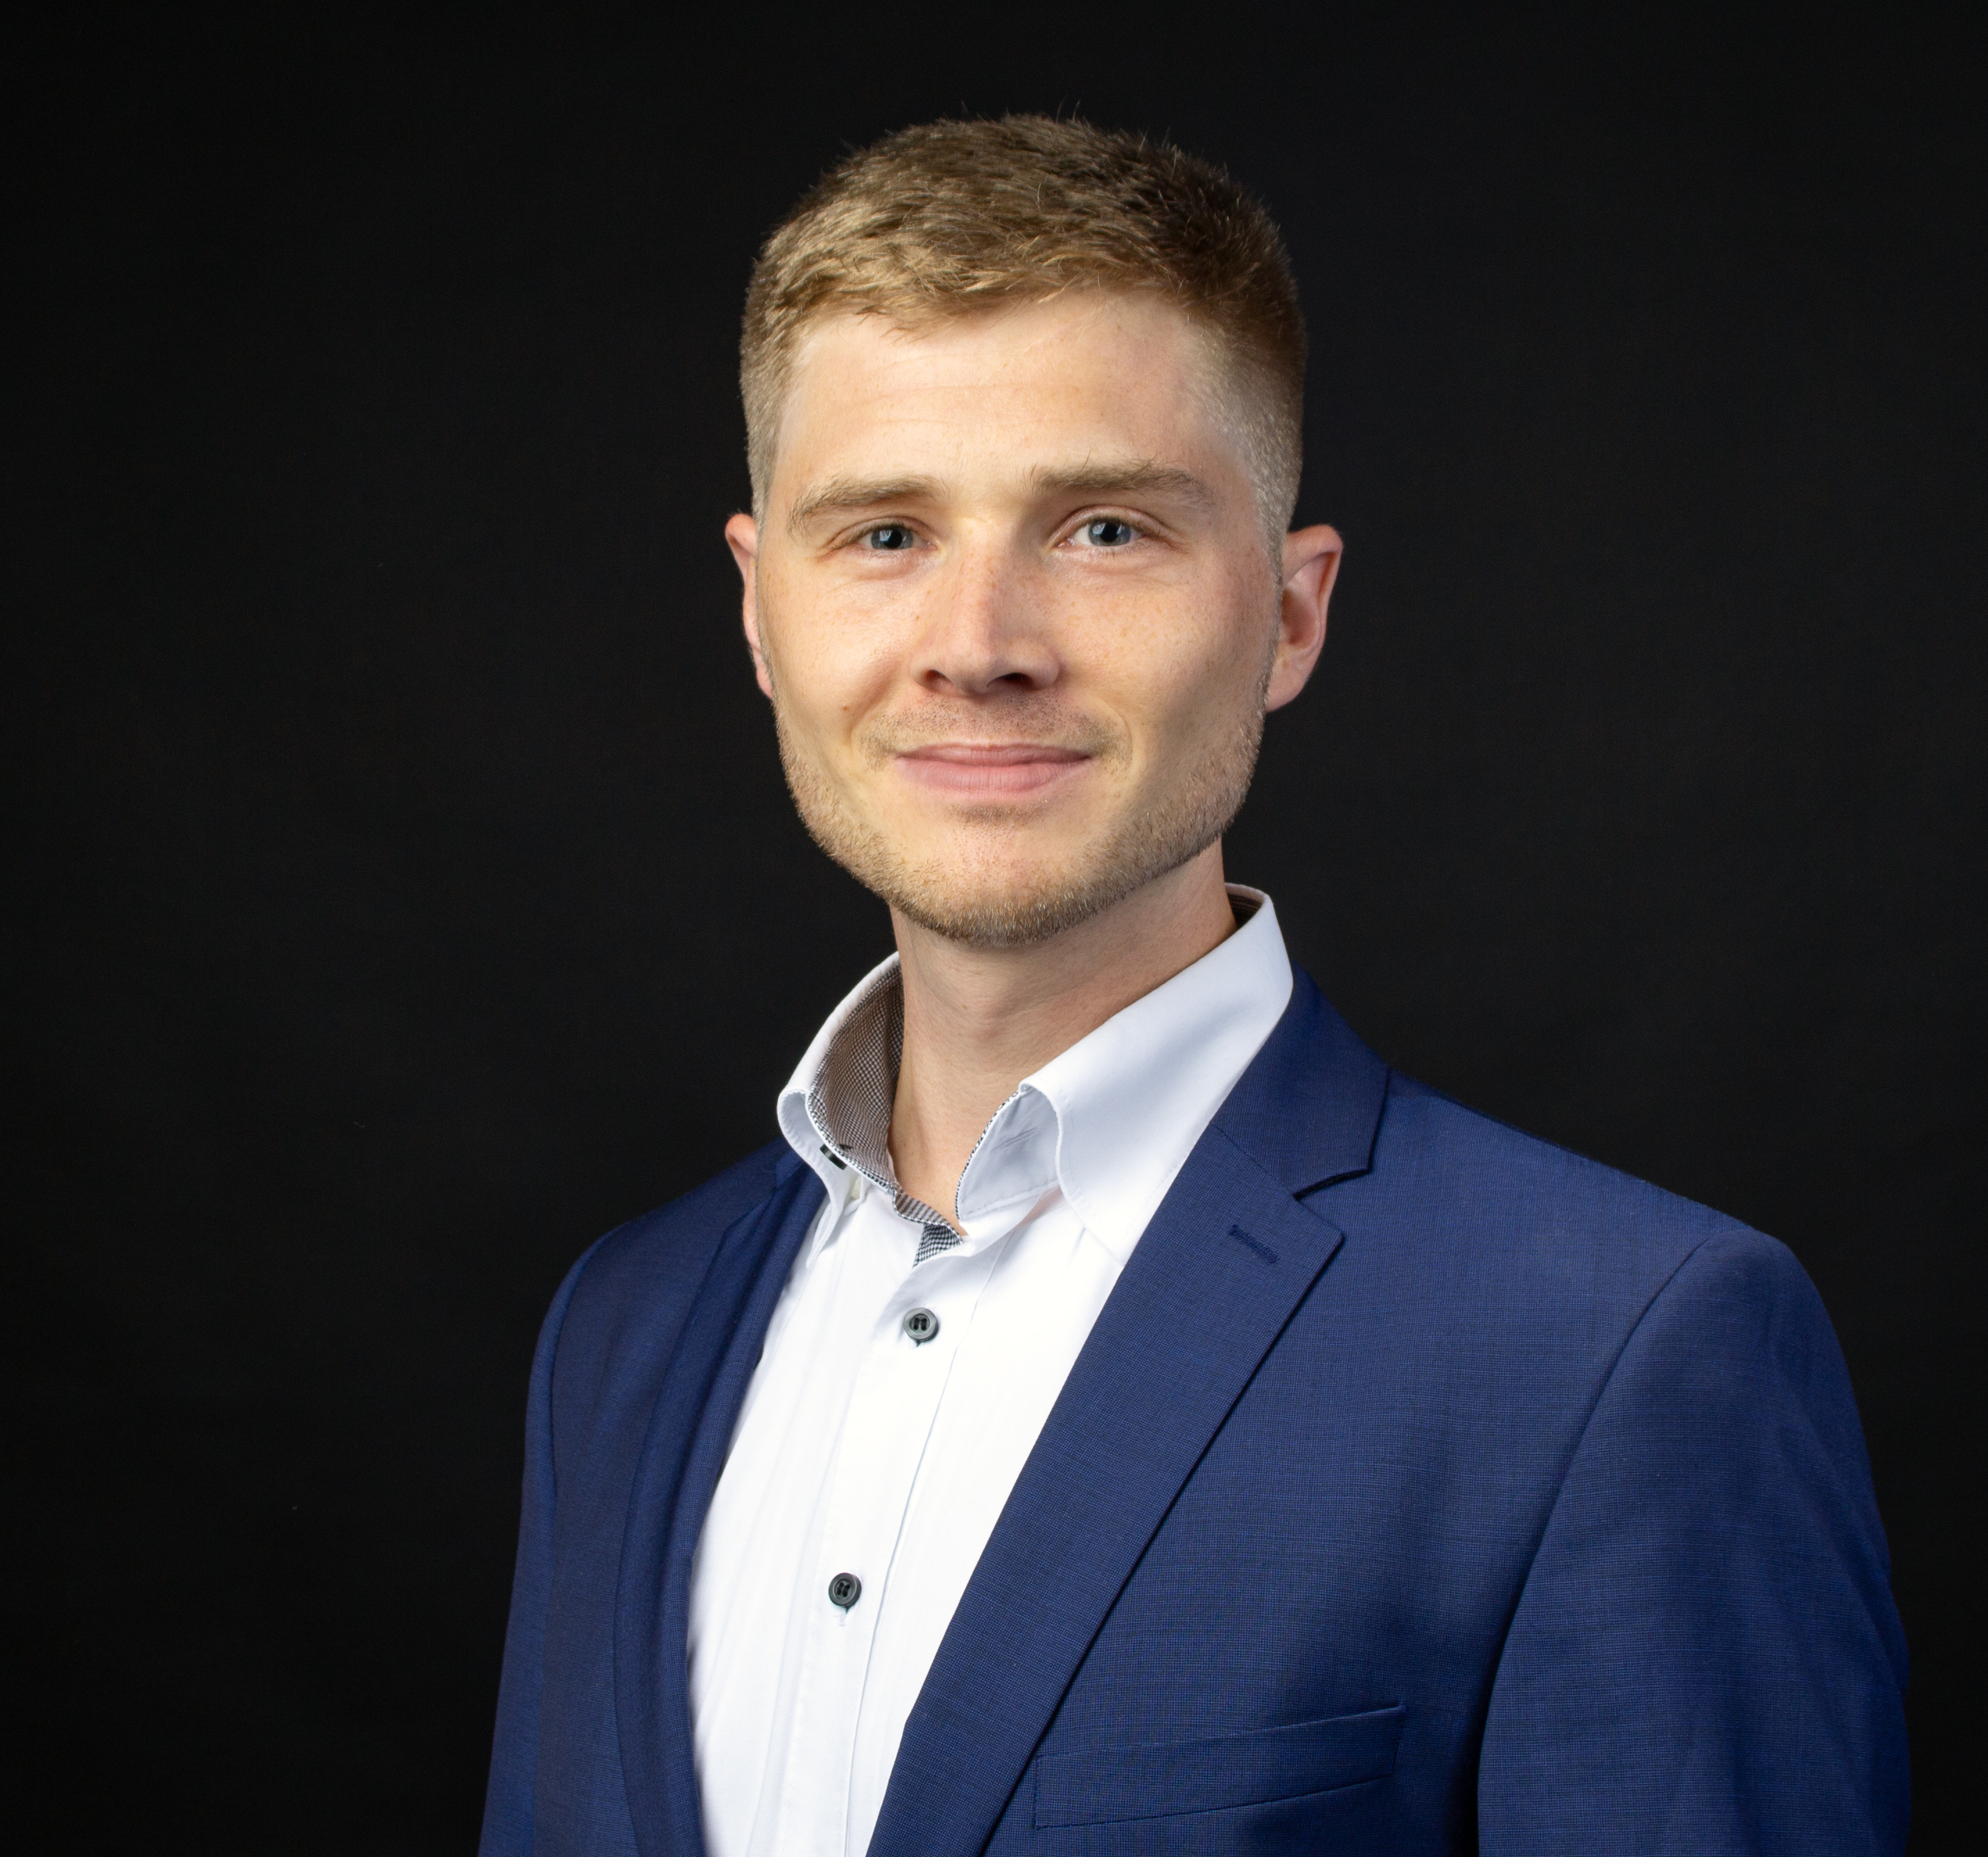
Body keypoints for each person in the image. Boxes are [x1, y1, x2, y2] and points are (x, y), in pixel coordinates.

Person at [477, 116, 1908, 1857]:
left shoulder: (1623, 1349)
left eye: (1104, 529)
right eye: (884, 534)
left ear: (1292, 616)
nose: (980, 643)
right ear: (761, 608)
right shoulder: (621, 1327)